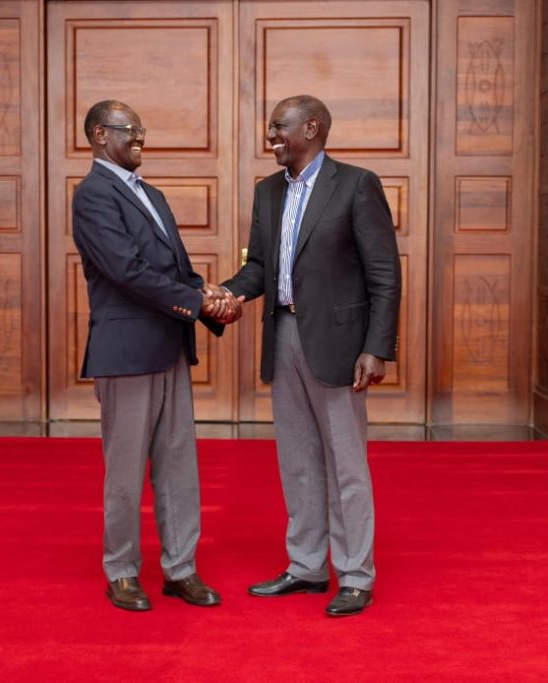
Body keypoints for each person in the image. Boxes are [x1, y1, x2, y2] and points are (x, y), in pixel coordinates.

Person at [221, 95, 401, 616]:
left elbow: (384, 274)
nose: (270, 135)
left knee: (346, 465)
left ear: (312, 127)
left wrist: (376, 347)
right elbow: (259, 266)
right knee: (297, 461)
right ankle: (305, 567)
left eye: (280, 127)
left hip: (342, 345)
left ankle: (356, 575)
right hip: (284, 337)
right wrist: (228, 294)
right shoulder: (267, 192)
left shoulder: (356, 185)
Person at [71, 99, 237, 612]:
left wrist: (210, 298)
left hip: (169, 345)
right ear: (100, 135)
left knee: (178, 466)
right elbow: (126, 271)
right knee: (124, 471)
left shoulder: (153, 194)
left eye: (142, 129)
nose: (140, 138)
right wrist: (196, 302)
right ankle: (121, 570)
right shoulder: (92, 195)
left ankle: (180, 569)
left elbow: (174, 268)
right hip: (125, 353)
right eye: (130, 130)